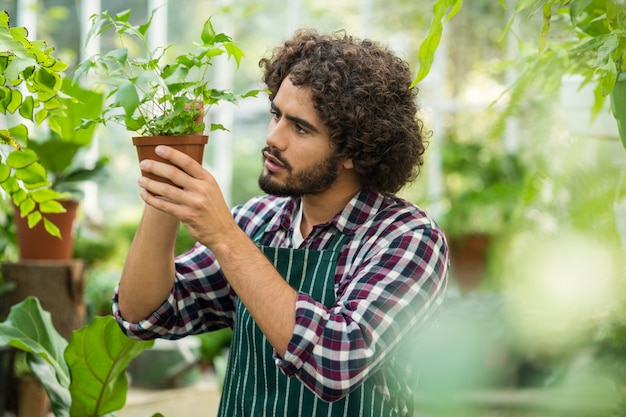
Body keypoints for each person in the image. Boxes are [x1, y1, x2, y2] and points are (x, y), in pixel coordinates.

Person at [113, 28, 449, 417]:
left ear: (353, 152)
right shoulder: (257, 222)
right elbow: (144, 316)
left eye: (300, 127)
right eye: (276, 115)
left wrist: (224, 235)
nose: (274, 138)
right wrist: (168, 183)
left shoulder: (407, 239)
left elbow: (337, 361)